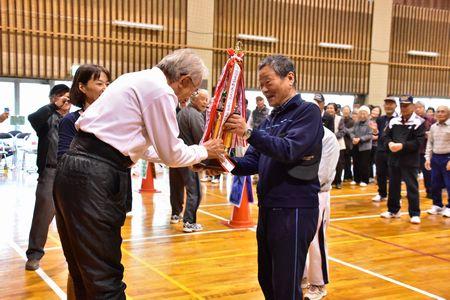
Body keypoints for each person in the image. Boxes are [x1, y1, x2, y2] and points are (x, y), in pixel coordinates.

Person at [53, 49, 225, 299]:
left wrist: (193, 156)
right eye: (194, 88)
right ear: (184, 80)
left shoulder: (134, 78)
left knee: (82, 272)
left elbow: (139, 146)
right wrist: (203, 151)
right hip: (96, 175)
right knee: (104, 280)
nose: (190, 96)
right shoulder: (162, 91)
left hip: (74, 168)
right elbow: (171, 153)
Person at [224, 55, 323, 299]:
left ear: (290, 78)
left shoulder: (307, 112)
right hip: (269, 208)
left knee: (286, 284)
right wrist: (220, 161)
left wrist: (248, 132)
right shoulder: (271, 118)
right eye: (261, 84)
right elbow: (252, 161)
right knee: (266, 278)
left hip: (294, 209)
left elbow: (288, 150)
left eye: (269, 81)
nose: (265, 89)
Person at [25, 84, 71, 271]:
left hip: (70, 172)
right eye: (61, 96)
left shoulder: (73, 119)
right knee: (43, 215)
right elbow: (32, 118)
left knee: (75, 217)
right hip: (50, 172)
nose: (65, 100)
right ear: (53, 98)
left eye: (67, 96)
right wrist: (54, 106)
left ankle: (76, 256)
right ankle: (34, 255)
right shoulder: (46, 119)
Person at [303, 127, 339, 300]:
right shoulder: (301, 132)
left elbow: (322, 174)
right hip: (298, 193)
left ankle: (318, 284)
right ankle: (301, 276)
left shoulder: (328, 138)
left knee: (316, 240)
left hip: (318, 194)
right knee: (299, 237)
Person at [169, 89, 209, 232]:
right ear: (194, 99)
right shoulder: (195, 115)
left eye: (207, 100)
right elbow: (200, 138)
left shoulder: (181, 113)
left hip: (175, 157)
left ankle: (175, 214)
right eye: (203, 99)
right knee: (194, 191)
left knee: (176, 187)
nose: (206, 102)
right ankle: (189, 222)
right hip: (189, 158)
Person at [381, 95, 425, 224]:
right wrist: (389, 144)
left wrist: (402, 146)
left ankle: (415, 213)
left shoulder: (419, 122)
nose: (404, 108)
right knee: (393, 186)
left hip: (410, 160)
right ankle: (393, 210)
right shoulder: (394, 121)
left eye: (406, 105)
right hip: (394, 159)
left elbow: (419, 142)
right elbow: (385, 136)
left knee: (412, 187)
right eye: (402, 106)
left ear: (412, 106)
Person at [58, 64, 111, 158]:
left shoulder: (112, 118)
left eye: (107, 84)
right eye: (99, 84)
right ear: (82, 87)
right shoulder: (70, 120)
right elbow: (64, 158)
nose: (105, 89)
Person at [425, 105, 450, 217]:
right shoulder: (433, 127)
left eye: (443, 112)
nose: (440, 114)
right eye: (438, 111)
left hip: (447, 158)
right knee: (434, 184)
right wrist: (427, 158)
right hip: (435, 158)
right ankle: (437, 205)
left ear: (448, 113)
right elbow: (430, 143)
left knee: (449, 184)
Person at [372, 97, 397, 202]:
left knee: (393, 175)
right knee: (380, 173)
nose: (388, 106)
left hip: (393, 151)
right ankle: (382, 193)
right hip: (380, 149)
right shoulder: (380, 119)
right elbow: (378, 134)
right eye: (386, 104)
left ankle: (395, 196)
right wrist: (374, 131)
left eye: (391, 104)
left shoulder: (399, 119)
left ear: (395, 106)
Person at [415, 101, 436, 198]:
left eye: (420, 107)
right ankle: (412, 192)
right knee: (412, 173)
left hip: (426, 151)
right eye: (416, 107)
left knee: (427, 173)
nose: (418, 109)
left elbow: (436, 132)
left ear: (424, 108)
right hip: (414, 150)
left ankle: (430, 192)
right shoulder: (412, 119)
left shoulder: (432, 119)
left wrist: (430, 135)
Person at [350, 105, 372, 187]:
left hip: (365, 147)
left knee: (364, 164)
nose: (362, 115)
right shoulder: (356, 123)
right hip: (356, 146)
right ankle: (356, 179)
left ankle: (365, 180)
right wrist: (353, 138)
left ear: (368, 114)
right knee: (356, 163)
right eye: (360, 113)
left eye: (364, 113)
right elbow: (351, 132)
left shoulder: (370, 123)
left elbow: (370, 135)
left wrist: (360, 139)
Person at [325, 103, 345, 189]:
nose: (329, 110)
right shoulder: (323, 118)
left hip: (339, 144)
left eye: (331, 108)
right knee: (328, 164)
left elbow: (342, 131)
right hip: (327, 145)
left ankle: (338, 181)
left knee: (339, 164)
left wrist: (331, 137)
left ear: (335, 110)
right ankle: (330, 182)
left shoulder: (340, 118)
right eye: (328, 108)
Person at [341, 105, 354, 181]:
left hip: (348, 144)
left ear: (350, 112)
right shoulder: (340, 119)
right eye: (344, 110)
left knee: (348, 161)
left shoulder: (352, 121)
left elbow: (351, 132)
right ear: (342, 111)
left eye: (347, 110)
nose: (346, 111)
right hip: (340, 143)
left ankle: (348, 176)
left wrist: (343, 129)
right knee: (341, 161)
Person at [369, 106, 381, 182]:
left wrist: (377, 137)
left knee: (377, 162)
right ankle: (370, 176)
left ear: (379, 113)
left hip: (377, 144)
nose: (375, 112)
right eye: (373, 110)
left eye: (377, 111)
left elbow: (382, 132)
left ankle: (378, 177)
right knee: (369, 161)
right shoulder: (368, 120)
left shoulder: (380, 121)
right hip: (368, 143)